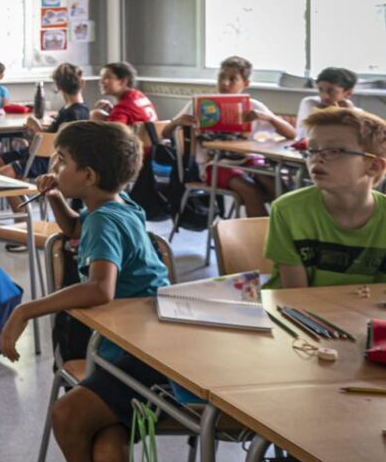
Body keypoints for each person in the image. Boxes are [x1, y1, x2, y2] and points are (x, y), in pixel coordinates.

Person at [0, 121, 204, 462]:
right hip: (143, 343)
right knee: (109, 456)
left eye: (62, 161)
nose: (54, 165)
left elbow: (100, 289)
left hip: (143, 353)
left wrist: (25, 309)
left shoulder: (104, 220)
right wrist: (56, 198)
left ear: (88, 176)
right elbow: (78, 230)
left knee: (67, 417)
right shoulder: (116, 205)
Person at [160, 56, 297, 217]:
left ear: (245, 84)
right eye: (221, 77)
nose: (225, 83)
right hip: (214, 165)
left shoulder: (253, 106)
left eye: (232, 79)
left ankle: (290, 229)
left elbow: (292, 135)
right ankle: (262, 239)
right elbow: (165, 134)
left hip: (249, 160)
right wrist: (178, 122)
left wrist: (270, 118)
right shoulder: (200, 105)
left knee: (277, 185)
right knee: (250, 191)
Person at [265, 108, 386, 289]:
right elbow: (295, 295)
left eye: (334, 151)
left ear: (374, 166)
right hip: (298, 312)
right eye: (312, 150)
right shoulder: (287, 210)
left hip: (366, 315)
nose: (317, 158)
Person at [0, 62, 90, 180]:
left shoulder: (72, 113)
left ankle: (21, 199)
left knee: (3, 173)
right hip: (37, 152)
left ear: (58, 86)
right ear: (82, 82)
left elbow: (57, 145)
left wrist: (36, 127)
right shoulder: (76, 109)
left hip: (48, 158)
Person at [296, 67, 361, 140]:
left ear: (348, 93)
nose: (324, 96)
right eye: (320, 89)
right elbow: (308, 136)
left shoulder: (356, 113)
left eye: (331, 91)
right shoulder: (311, 103)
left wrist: (348, 112)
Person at [90, 61, 157, 125]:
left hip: (136, 137)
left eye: (107, 77)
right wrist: (113, 110)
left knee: (96, 115)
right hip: (152, 136)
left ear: (122, 81)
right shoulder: (139, 95)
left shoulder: (123, 107)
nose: (101, 81)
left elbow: (113, 134)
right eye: (101, 77)